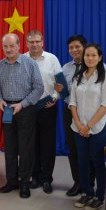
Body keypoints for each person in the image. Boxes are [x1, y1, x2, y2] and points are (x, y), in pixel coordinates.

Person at [0, 33, 44, 198]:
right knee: (9, 148)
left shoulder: (30, 64)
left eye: (11, 46)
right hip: (7, 108)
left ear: (19, 46)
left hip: (25, 108)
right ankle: (11, 181)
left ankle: (24, 183)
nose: (8, 49)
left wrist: (22, 104)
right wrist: (0, 100)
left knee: (25, 148)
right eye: (5, 46)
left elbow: (38, 88)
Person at [70, 43, 106, 210]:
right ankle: (87, 192)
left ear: (99, 57)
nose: (90, 58)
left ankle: (100, 196)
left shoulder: (105, 76)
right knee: (82, 161)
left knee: (98, 162)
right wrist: (79, 124)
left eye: (93, 55)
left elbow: (105, 105)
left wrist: (89, 126)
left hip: (98, 128)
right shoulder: (78, 76)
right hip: (78, 127)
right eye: (87, 55)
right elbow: (72, 102)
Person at [25, 30, 63, 194]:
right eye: (31, 42)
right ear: (27, 43)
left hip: (47, 107)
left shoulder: (52, 59)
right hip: (28, 108)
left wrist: (54, 98)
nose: (34, 44)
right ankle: (34, 176)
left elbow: (60, 83)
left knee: (47, 145)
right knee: (31, 144)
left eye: (37, 41)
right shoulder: (22, 59)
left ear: (42, 42)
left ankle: (47, 179)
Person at [62, 35, 90, 196]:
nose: (74, 50)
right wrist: (57, 92)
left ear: (84, 47)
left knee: (89, 150)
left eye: (77, 46)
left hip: (89, 112)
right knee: (72, 148)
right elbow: (64, 92)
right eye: (71, 47)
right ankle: (78, 182)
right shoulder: (66, 68)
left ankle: (90, 184)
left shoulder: (99, 67)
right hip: (69, 111)